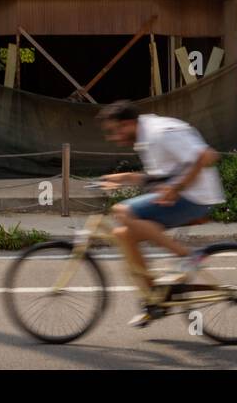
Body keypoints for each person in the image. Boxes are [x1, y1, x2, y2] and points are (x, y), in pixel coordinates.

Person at [96, 101, 225, 328]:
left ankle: (189, 256)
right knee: (123, 234)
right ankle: (154, 300)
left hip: (196, 198)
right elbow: (159, 178)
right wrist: (122, 178)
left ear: (128, 123)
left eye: (115, 131)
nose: (113, 137)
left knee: (122, 211)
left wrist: (177, 189)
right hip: (181, 196)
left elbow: (207, 156)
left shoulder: (161, 133)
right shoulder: (146, 138)